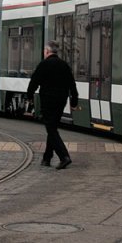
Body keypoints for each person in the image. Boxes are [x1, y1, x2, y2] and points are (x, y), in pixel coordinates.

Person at [27, 41, 79, 170]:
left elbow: (34, 82)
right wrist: (74, 102)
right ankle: (47, 158)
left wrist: (30, 97)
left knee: (51, 129)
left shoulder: (44, 64)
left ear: (47, 51)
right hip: (61, 101)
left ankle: (64, 157)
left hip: (48, 101)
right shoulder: (64, 65)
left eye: (44, 51)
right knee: (53, 127)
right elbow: (72, 85)